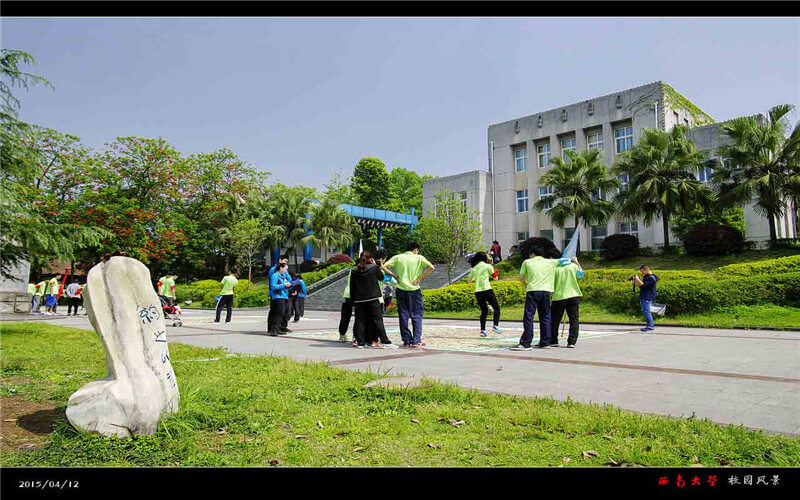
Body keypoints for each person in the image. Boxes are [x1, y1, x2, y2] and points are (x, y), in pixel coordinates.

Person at [512, 247, 568, 350]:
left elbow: (521, 278)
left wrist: (526, 287)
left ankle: (526, 343)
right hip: (546, 291)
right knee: (545, 316)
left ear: (532, 254)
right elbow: (566, 261)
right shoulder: (551, 262)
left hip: (533, 290)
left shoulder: (527, 262)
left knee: (529, 316)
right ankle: (545, 342)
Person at [382, 242, 435, 348]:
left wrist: (394, 275)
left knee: (403, 314)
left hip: (401, 288)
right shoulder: (419, 258)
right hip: (414, 289)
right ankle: (416, 340)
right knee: (417, 315)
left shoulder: (398, 257)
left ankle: (406, 339)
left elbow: (383, 266)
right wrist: (419, 279)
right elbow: (431, 267)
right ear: (415, 250)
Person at [349, 251, 395, 349]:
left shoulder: (354, 270)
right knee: (377, 320)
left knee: (360, 321)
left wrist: (353, 301)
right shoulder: (373, 268)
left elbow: (352, 287)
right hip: (373, 298)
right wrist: (375, 264)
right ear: (370, 259)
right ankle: (385, 341)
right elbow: (381, 277)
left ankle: (361, 342)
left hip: (359, 300)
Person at [548, 248, 585, 348]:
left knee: (555, 320)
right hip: (573, 295)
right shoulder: (573, 266)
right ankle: (572, 341)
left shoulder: (555, 269)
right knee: (574, 319)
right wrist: (577, 262)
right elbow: (581, 274)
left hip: (559, 296)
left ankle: (553, 339)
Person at [467, 251, 503, 338]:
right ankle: (495, 325)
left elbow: (469, 281)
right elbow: (495, 278)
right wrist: (495, 272)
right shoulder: (488, 266)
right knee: (496, 308)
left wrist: (476, 277)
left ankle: (483, 331)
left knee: (484, 311)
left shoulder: (474, 268)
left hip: (478, 292)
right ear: (484, 258)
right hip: (487, 289)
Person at [267, 262, 292, 336]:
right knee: (278, 313)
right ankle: (273, 329)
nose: (286, 270)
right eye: (285, 268)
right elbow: (273, 286)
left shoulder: (283, 276)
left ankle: (278, 328)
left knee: (283, 313)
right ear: (280, 267)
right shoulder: (275, 275)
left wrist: (288, 285)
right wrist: (283, 285)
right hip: (277, 297)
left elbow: (289, 280)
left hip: (284, 296)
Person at [632, 265, 659, 333]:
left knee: (647, 311)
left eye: (642, 271)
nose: (642, 273)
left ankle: (650, 326)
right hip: (644, 296)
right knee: (645, 311)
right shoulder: (647, 277)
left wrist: (637, 279)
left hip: (648, 296)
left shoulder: (652, 278)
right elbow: (641, 286)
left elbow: (643, 286)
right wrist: (636, 280)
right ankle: (648, 325)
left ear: (646, 270)